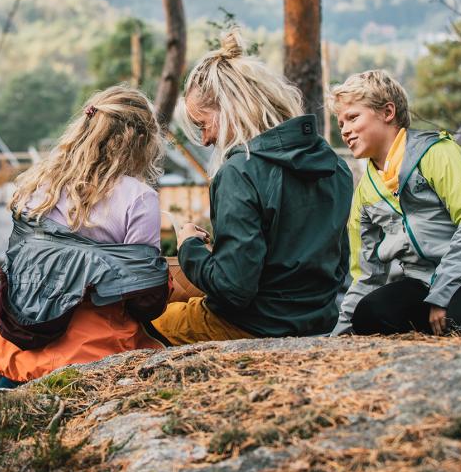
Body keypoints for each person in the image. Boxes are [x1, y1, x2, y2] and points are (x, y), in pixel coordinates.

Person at [151, 33, 353, 345]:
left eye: (203, 124)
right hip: (318, 321)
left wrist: (189, 246)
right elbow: (340, 264)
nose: (205, 140)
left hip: (254, 325)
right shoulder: (334, 166)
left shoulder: (240, 171)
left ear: (233, 108)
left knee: (152, 323)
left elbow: (234, 288)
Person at [0, 85, 170, 385]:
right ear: (141, 141)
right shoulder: (139, 198)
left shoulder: (39, 184)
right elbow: (146, 300)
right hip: (94, 355)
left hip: (20, 350)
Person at [330, 70, 461, 336]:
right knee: (368, 314)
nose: (345, 130)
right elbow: (366, 274)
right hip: (422, 284)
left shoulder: (436, 153)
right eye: (340, 124)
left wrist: (441, 296)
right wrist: (338, 337)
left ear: (387, 112)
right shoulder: (365, 192)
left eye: (352, 117)